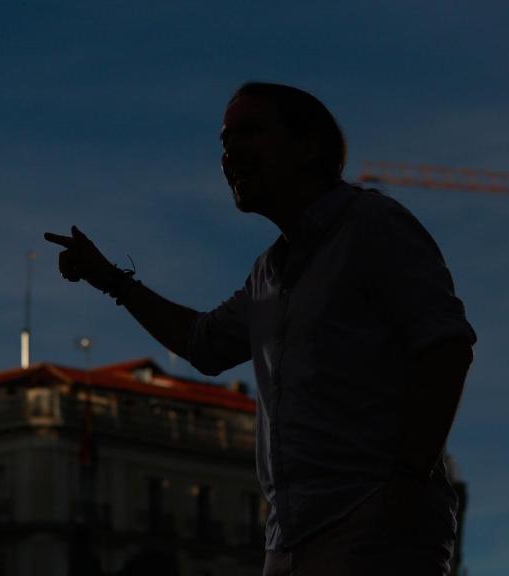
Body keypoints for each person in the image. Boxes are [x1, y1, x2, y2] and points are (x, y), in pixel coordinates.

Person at [45, 82, 476, 575]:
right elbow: (202, 344)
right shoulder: (267, 273)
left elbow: (446, 346)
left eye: (250, 133)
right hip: (291, 537)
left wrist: (407, 480)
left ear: (309, 146)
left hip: (373, 525)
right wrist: (109, 280)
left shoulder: (374, 225)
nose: (231, 153)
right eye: (225, 141)